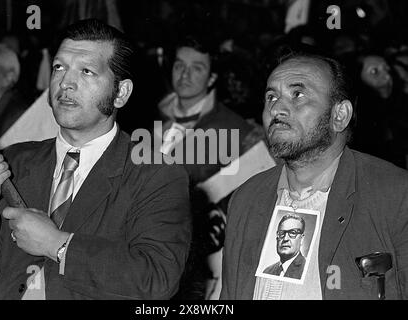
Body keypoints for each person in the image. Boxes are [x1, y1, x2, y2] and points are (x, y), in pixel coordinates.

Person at [0, 19, 191, 300]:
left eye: (87, 71)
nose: (66, 82)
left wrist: (59, 245)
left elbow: (156, 281)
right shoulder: (14, 162)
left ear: (121, 93)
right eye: (59, 67)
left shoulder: (156, 174)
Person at [221, 50, 408, 299]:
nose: (276, 109)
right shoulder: (246, 198)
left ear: (339, 115)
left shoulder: (395, 195)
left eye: (297, 94)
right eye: (271, 96)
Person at [155, 34, 265, 299]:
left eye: (197, 68)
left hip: (206, 264)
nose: (185, 74)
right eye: (179, 65)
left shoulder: (236, 130)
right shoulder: (151, 119)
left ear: (212, 78)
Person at [263, 215, 306, 280]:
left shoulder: (306, 269)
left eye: (292, 233)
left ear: (301, 239)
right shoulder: (267, 271)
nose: (285, 239)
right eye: (281, 233)